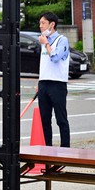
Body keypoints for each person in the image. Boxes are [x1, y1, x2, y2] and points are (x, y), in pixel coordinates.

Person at [37, 12, 71, 147]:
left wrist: (46, 44)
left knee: (61, 119)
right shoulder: (43, 40)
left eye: (43, 23)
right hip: (44, 83)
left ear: (52, 24)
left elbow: (55, 58)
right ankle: (47, 149)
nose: (40, 26)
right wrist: (39, 81)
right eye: (40, 23)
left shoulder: (62, 40)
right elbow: (44, 63)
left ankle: (65, 149)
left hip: (58, 84)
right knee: (44, 119)